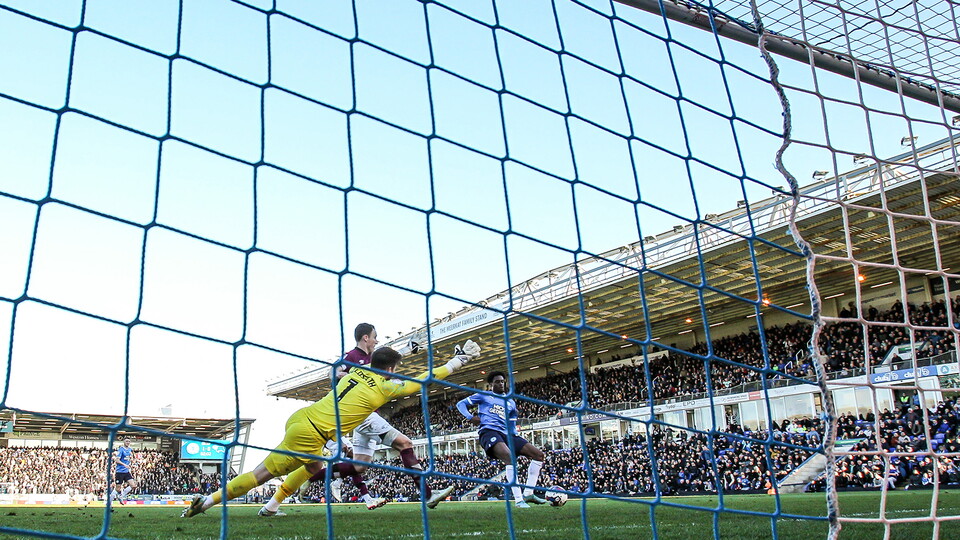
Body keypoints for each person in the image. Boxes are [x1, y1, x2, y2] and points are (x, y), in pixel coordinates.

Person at [182, 340, 481, 518]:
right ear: (391, 370)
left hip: (302, 417)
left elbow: (376, 360)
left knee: (313, 466)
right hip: (311, 433)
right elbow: (426, 378)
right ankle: (207, 502)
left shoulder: (356, 370)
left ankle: (272, 505)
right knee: (262, 474)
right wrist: (458, 360)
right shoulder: (385, 387)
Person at [293, 323, 455, 511]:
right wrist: (348, 374)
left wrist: (409, 349)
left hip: (367, 414)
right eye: (375, 336)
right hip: (363, 415)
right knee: (405, 444)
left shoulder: (373, 358)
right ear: (365, 338)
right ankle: (427, 494)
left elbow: (385, 361)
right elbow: (332, 372)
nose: (377, 340)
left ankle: (308, 479)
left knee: (360, 466)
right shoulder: (352, 356)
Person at [456, 371, 547, 508]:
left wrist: (515, 437)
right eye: (497, 382)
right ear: (491, 385)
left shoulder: (510, 402)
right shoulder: (484, 395)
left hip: (508, 434)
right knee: (509, 458)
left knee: (539, 455)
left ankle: (528, 493)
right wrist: (470, 417)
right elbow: (460, 404)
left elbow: (511, 423)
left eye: (502, 381)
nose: (501, 384)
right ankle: (518, 500)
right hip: (489, 431)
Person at [110, 438, 137, 504]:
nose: (128, 442)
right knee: (118, 488)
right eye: (126, 441)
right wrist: (124, 464)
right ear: (124, 442)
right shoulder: (121, 449)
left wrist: (132, 462)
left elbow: (130, 457)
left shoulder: (130, 449)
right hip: (120, 472)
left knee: (133, 485)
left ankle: (121, 496)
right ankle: (109, 501)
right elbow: (117, 460)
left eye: (129, 441)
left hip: (126, 471)